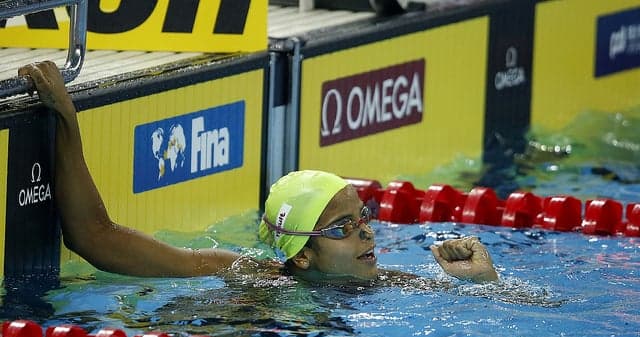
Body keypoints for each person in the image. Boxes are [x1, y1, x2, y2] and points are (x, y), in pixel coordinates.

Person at [18, 61, 498, 284]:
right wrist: (67, 118)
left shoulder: (380, 282)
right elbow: (94, 238)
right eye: (343, 227)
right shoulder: (242, 274)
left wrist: (481, 280)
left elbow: (530, 306)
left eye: (363, 218)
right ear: (302, 255)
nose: (366, 234)